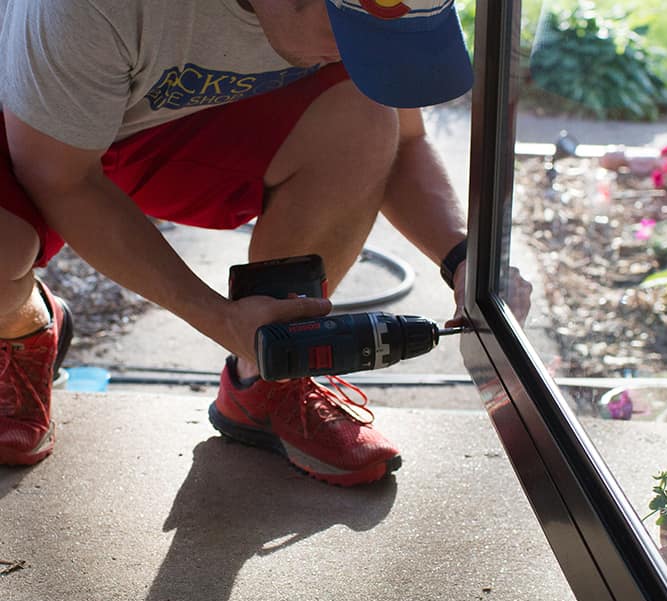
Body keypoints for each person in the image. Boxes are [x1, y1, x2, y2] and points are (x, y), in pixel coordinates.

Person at [0, 0, 525, 486]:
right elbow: (61, 177)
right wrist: (219, 318)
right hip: (24, 114)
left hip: (162, 124)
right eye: (350, 33)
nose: (361, 55)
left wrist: (465, 258)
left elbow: (406, 140)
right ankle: (21, 327)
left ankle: (267, 380)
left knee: (364, 115)